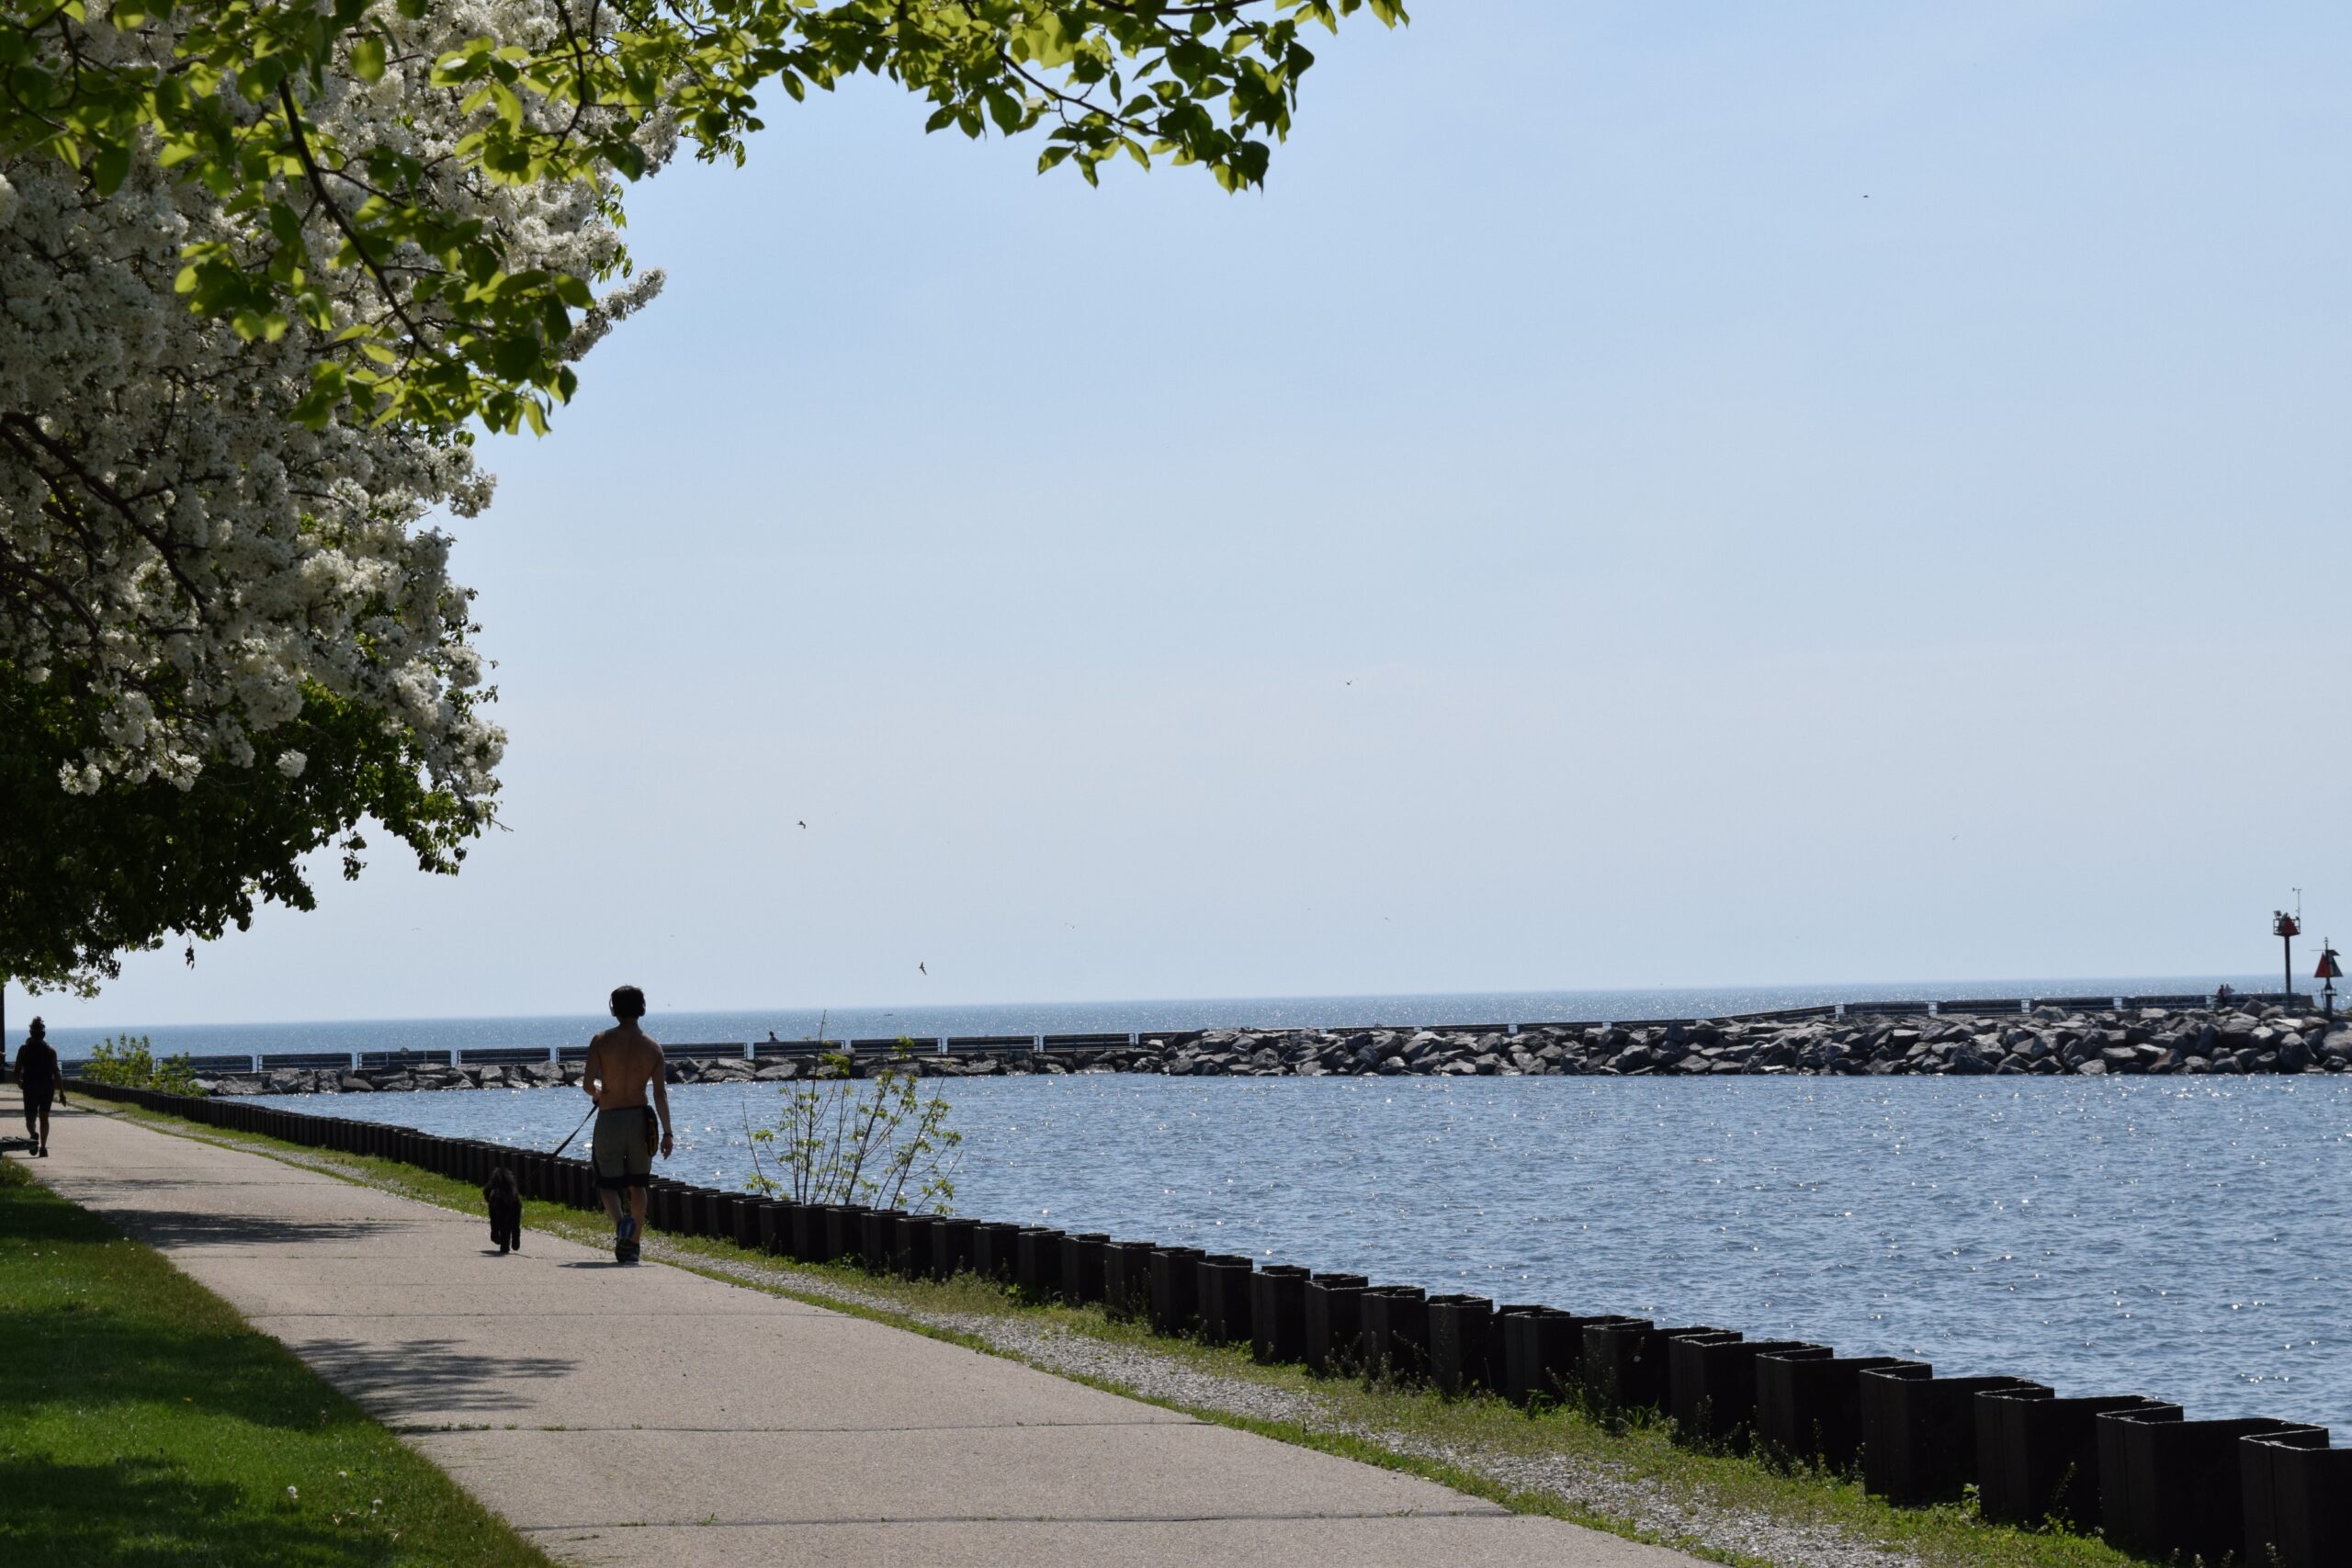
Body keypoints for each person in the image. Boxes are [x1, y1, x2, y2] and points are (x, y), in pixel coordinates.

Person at [582, 986, 672, 1263]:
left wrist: (598, 1093)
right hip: (639, 1119)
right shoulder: (653, 1048)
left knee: (607, 1181)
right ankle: (633, 1245)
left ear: (613, 1009)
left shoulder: (600, 1041)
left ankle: (621, 1223)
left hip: (610, 1117)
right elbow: (660, 1093)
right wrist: (668, 1132)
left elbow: (587, 1085)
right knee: (638, 1183)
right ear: (642, 1008)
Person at [15, 1017, 62, 1157]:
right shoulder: (50, 1050)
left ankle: (33, 1135)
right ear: (43, 1034)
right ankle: (43, 1148)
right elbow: (56, 1072)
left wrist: (19, 1082)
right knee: (44, 1118)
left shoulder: (24, 1049)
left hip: (30, 1086)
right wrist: (62, 1092)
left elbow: (16, 1071)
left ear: (31, 1032)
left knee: (30, 1119)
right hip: (47, 1087)